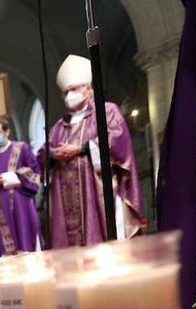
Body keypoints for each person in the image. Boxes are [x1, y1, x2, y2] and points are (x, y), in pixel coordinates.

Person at [44, 54, 142, 247]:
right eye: (65, 92)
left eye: (73, 89)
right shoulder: (58, 127)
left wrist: (81, 148)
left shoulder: (106, 112)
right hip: (65, 204)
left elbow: (117, 140)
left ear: (89, 88)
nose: (69, 95)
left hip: (97, 196)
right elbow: (42, 154)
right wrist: (52, 155)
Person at [0, 119, 42, 257]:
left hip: (22, 210)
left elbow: (34, 172)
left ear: (7, 132)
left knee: (27, 255)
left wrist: (6, 178)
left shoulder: (22, 149)